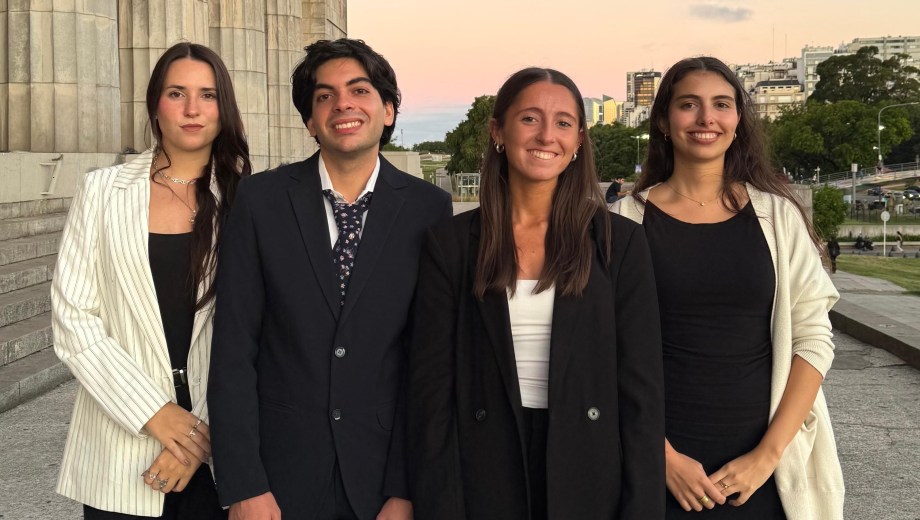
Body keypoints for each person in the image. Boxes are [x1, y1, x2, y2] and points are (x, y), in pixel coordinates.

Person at [207, 38, 452, 520]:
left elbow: (428, 362)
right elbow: (234, 350)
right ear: (310, 122)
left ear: (388, 109)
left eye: (359, 91)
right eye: (325, 96)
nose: (343, 104)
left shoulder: (429, 210)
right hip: (278, 482)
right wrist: (244, 484)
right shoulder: (261, 202)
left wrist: (405, 489)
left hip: (383, 481)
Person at [409, 67, 665, 519]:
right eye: (529, 118)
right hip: (483, 471)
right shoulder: (449, 244)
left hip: (588, 470)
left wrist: (641, 506)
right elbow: (432, 394)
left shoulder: (618, 242)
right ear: (498, 132)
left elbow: (641, 392)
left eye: (564, 122)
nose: (547, 135)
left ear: (579, 140)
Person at [612, 56, 844, 519]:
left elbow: (813, 338)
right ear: (662, 120)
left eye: (721, 104)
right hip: (654, 472)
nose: (706, 119)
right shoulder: (622, 222)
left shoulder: (778, 217)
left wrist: (767, 456)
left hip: (764, 476)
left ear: (738, 119)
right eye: (688, 105)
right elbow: (600, 350)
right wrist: (662, 459)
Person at [51, 42, 251, 519]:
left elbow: (252, 331)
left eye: (207, 95)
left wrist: (194, 437)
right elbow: (74, 318)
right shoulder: (101, 190)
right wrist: (155, 415)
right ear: (155, 105)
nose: (191, 109)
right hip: (120, 445)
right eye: (176, 93)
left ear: (224, 107)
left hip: (220, 452)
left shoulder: (248, 200)